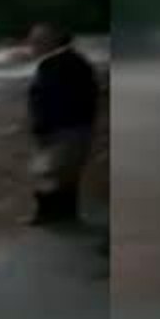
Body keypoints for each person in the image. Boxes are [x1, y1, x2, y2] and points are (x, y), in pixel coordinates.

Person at [24, 23, 100, 225]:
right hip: (71, 128)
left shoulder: (59, 64)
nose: (32, 44)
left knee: (49, 173)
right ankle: (64, 216)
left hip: (63, 130)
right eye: (32, 39)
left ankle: (50, 216)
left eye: (37, 40)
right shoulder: (70, 61)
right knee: (63, 174)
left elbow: (53, 100)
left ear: (52, 41)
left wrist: (44, 128)